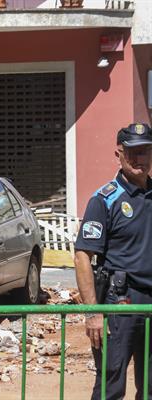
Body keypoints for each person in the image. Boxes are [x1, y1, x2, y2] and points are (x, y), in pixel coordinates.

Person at [74, 123, 152, 400]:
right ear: (119, 154)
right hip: (119, 303)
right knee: (111, 385)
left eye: (144, 151)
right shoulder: (105, 199)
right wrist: (93, 312)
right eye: (132, 152)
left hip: (151, 304)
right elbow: (83, 256)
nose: (138, 158)